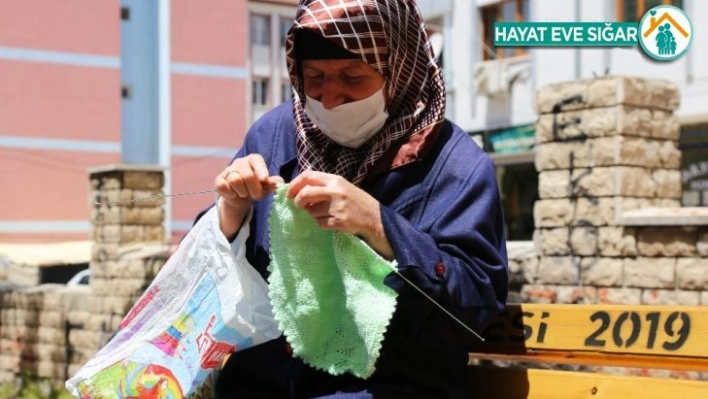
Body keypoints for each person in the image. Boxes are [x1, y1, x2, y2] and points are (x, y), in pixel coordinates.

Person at [202, 1, 509, 397]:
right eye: (314, 77)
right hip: (262, 383)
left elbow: (474, 311)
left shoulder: (455, 165)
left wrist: (379, 225)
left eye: (352, 77)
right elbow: (216, 271)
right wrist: (231, 211)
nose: (330, 99)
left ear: (397, 69)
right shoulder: (273, 135)